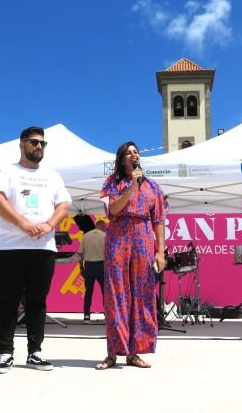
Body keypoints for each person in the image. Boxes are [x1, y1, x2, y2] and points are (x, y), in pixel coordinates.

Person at [0, 126, 71, 374]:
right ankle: (5, 353)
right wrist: (24, 224)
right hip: (10, 247)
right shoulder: (6, 171)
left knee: (37, 301)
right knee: (8, 301)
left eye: (43, 144)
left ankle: (35, 352)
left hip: (43, 248)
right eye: (34, 142)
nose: (39, 147)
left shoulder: (53, 176)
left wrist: (48, 225)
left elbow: (63, 205)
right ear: (22, 145)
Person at [95, 141, 167, 370]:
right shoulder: (111, 183)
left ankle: (134, 352)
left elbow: (158, 221)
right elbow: (113, 210)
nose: (134, 155)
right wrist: (131, 187)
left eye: (136, 152)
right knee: (117, 294)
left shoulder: (153, 187)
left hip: (144, 238)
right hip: (118, 236)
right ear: (122, 159)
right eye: (129, 152)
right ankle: (113, 352)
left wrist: (161, 251)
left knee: (142, 293)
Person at [79, 219, 107, 324]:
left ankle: (86, 316)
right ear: (102, 226)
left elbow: (80, 254)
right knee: (105, 292)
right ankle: (107, 315)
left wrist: (81, 267)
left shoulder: (86, 236)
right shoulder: (105, 236)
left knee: (88, 292)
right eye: (105, 227)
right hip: (102, 265)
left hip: (89, 265)